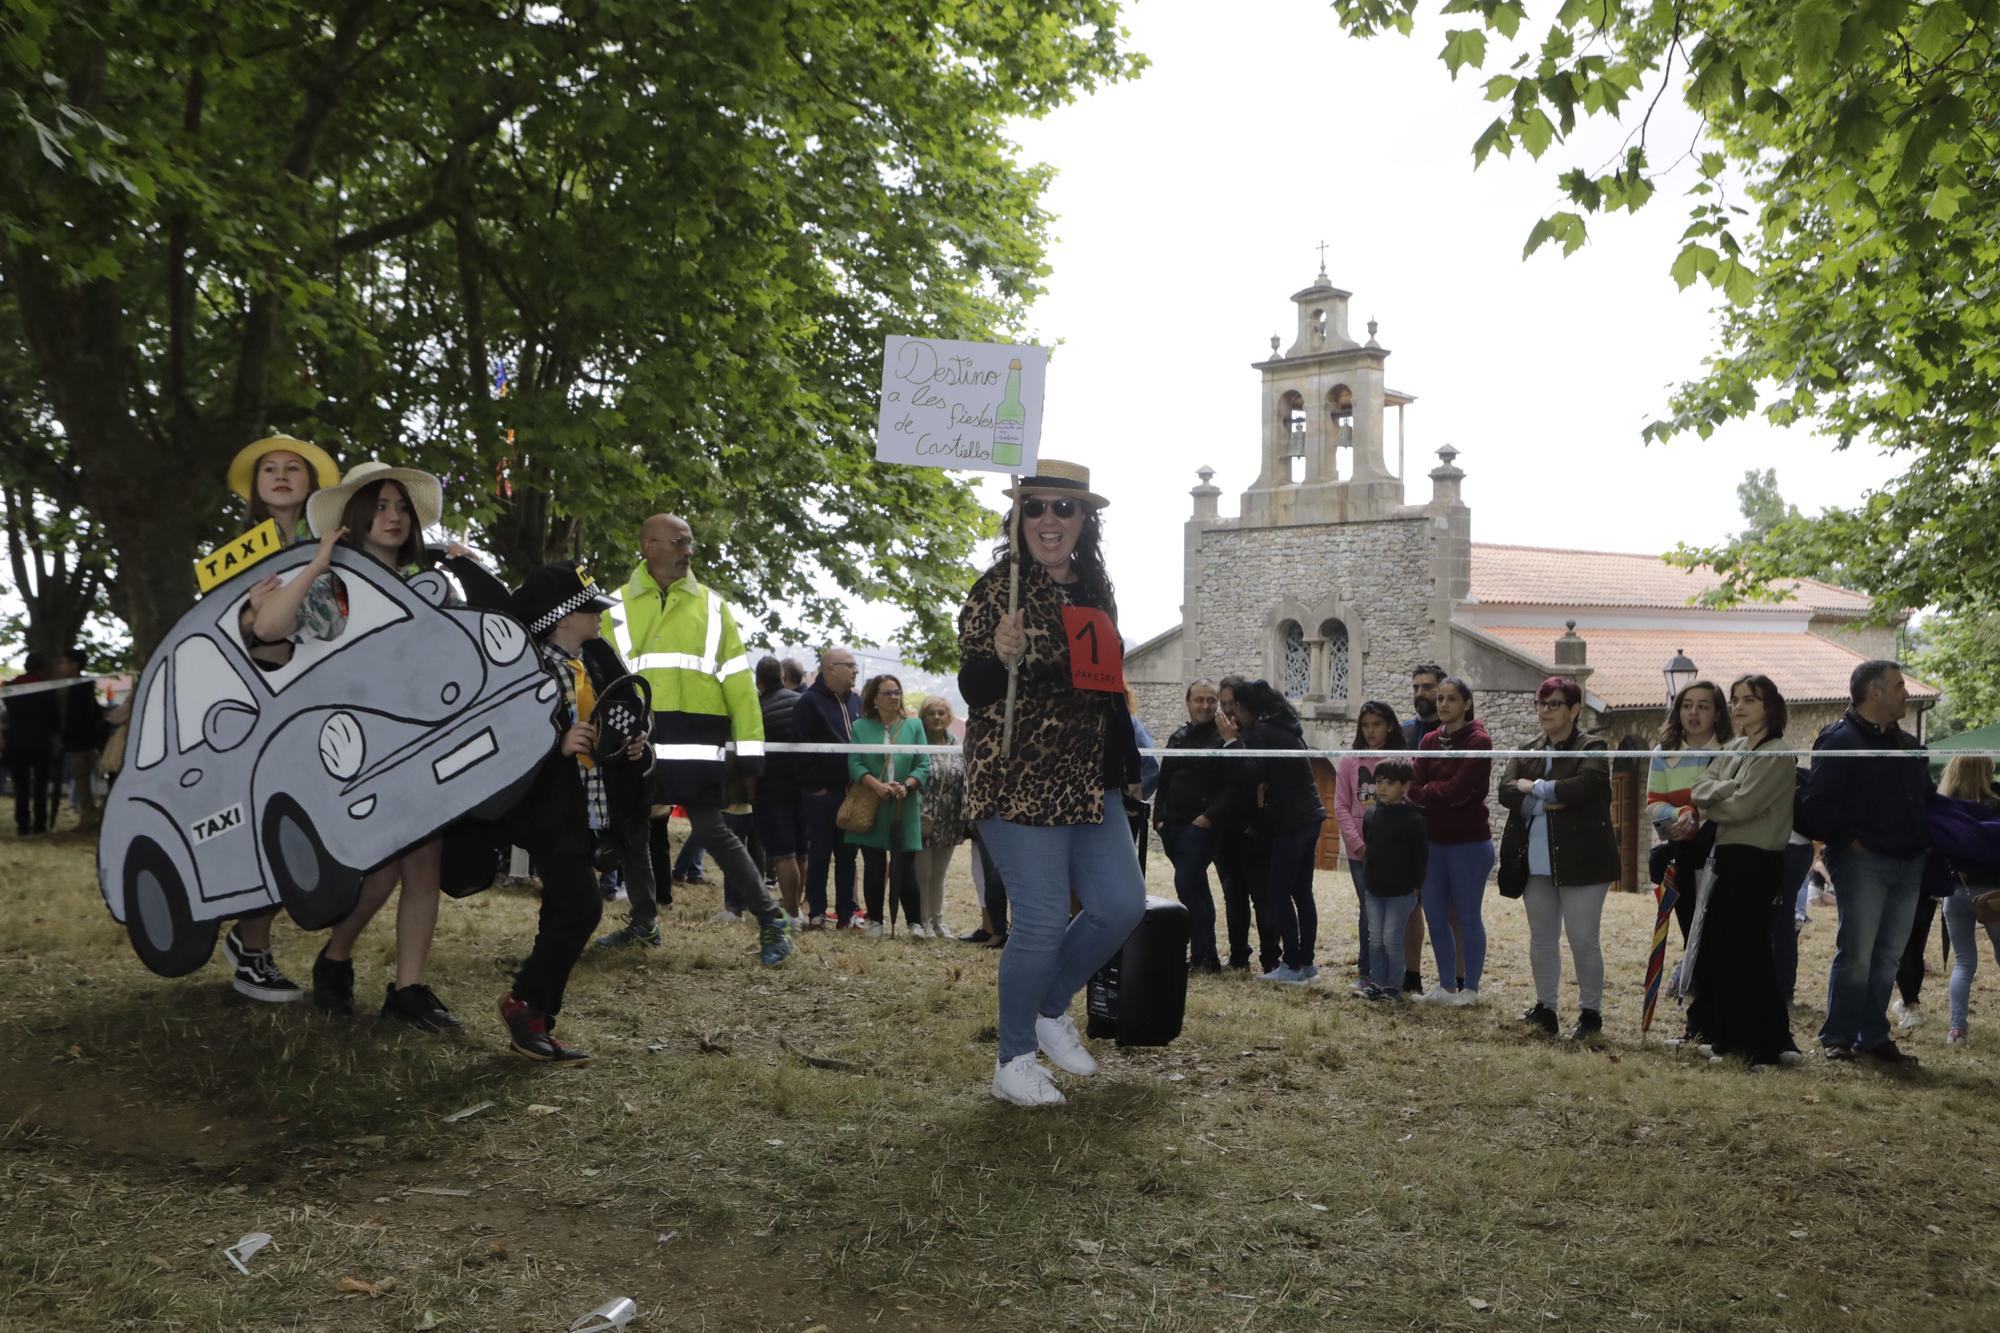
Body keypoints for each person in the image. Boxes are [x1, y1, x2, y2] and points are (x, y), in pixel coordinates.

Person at [958, 460, 1144, 1107]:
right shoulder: (997, 590)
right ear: (1018, 517)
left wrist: (1128, 767)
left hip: (1092, 780)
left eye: (1064, 509)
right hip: (1016, 778)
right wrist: (997, 657)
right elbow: (974, 689)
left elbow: (1108, 690)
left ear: (1084, 520)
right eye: (1036, 507)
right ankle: (1013, 1060)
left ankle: (1045, 1005)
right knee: (1038, 919)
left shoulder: (1097, 590)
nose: (1049, 520)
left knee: (1120, 904)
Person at [274, 462, 465, 1028]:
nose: (395, 517)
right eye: (381, 506)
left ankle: (408, 989)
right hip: (354, 749)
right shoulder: (328, 583)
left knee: (423, 867)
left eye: (402, 508)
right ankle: (335, 958)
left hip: (420, 741)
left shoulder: (432, 588)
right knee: (378, 873)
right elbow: (299, 653)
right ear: (355, 518)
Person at [602, 513, 793, 967]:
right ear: (650, 545)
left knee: (712, 831)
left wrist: (751, 755)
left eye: (690, 543)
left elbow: (739, 683)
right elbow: (603, 675)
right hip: (637, 736)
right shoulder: (614, 606)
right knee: (632, 830)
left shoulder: (712, 606)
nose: (689, 551)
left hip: (695, 737)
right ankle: (644, 922)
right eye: (679, 542)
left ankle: (772, 920)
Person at [498, 564, 653, 1063]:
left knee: (560, 912)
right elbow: (509, 740)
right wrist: (555, 744)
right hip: (550, 812)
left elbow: (619, 719)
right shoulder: (528, 672)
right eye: (592, 611)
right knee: (583, 909)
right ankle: (525, 1004)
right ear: (563, 618)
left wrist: (633, 746)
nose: (600, 618)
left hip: (590, 809)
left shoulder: (595, 663)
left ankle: (538, 1018)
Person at [1800, 659, 1930, 1065]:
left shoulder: (1908, 745)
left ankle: (1872, 1034)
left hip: (1909, 862)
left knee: (1889, 954)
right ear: (1875, 693)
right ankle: (1837, 1035)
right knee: (1856, 953)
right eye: (1899, 685)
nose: (1906, 693)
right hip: (1863, 862)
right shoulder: (1838, 740)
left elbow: (1923, 799)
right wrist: (1850, 842)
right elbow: (1817, 804)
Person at [1680, 675, 1804, 1066]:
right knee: (1721, 947)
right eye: (1734, 700)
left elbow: (1741, 807)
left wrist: (1718, 799)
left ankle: (1762, 1044)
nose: (1738, 706)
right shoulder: (1733, 747)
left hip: (1758, 859)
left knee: (1747, 951)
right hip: (1728, 855)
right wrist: (1723, 793)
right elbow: (1699, 787)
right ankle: (1731, 1035)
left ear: (1769, 705)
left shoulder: (1778, 753)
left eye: (1749, 699)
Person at [1498, 676, 1620, 1040]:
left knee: (1582, 938)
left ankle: (1590, 1014)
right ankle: (1545, 1008)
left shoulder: (1592, 745)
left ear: (1574, 709)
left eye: (1553, 704)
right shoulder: (1528, 747)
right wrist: (1547, 801)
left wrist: (1532, 788)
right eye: (1541, 703)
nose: (1545, 711)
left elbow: (1586, 786)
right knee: (1542, 938)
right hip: (1534, 864)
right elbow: (1505, 791)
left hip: (1584, 862)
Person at [1226, 679, 1328, 986]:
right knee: (1302, 892)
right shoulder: (1287, 726)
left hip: (1292, 822)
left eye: (1236, 708)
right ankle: (1307, 964)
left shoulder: (1261, 731)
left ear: (1245, 708)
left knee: (1279, 893)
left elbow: (1249, 771)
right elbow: (1279, 769)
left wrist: (1231, 742)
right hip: (1311, 816)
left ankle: (1292, 965)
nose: (1234, 715)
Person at [1410, 676, 1495, 1005]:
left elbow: (1459, 791)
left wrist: (1430, 789)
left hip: (1469, 843)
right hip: (1433, 842)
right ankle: (1446, 986)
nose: (1443, 704)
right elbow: (1414, 788)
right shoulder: (1429, 740)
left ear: (1467, 704)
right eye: (1440, 698)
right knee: (1434, 913)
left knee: (1467, 915)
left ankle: (1470, 988)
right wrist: (1434, 791)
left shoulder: (1478, 740)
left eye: (1451, 699)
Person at [1153, 678, 1229, 973]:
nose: (1205, 705)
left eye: (1211, 700)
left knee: (1185, 885)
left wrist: (1207, 817)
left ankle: (1199, 956)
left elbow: (1230, 788)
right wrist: (1158, 818)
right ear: (1188, 702)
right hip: (1172, 827)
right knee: (1197, 890)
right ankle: (1208, 957)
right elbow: (1165, 779)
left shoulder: (1222, 739)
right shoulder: (1177, 737)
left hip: (1201, 829)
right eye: (1199, 699)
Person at [1646, 680, 1732, 941]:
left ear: (1717, 713)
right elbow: (1653, 803)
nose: (1693, 712)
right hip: (1682, 851)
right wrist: (1680, 814)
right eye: (1687, 705)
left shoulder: (1731, 750)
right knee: (1691, 931)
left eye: (1702, 706)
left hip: (1723, 850)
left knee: (1720, 928)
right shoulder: (1663, 752)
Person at [845, 674, 929, 937]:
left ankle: (915, 923)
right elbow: (855, 762)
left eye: (897, 692)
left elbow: (924, 763)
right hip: (874, 802)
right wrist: (876, 785)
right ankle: (876, 922)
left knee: (905, 866)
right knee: (873, 865)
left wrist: (908, 784)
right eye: (888, 693)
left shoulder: (914, 725)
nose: (894, 698)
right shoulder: (860, 727)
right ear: (874, 698)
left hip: (905, 804)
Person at [1335, 701, 1407, 994]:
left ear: (1389, 725)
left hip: (1392, 853)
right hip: (1360, 853)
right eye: (1365, 725)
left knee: (1391, 918)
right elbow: (1341, 805)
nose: (1370, 731)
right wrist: (1358, 844)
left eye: (1376, 724)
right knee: (1368, 911)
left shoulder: (1403, 760)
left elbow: (1407, 804)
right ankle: (1367, 972)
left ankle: (1393, 978)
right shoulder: (1350, 761)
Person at [794, 645, 864, 928]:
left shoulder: (856, 702)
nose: (855, 669)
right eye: (849, 664)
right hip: (821, 795)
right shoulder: (808, 702)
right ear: (830, 669)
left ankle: (847, 914)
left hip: (851, 794)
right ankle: (817, 913)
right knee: (820, 854)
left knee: (848, 856)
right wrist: (815, 787)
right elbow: (798, 748)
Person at [1215, 674, 1281, 974]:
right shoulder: (1217, 737)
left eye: (1233, 704)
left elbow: (1252, 777)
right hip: (1227, 832)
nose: (1228, 711)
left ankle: (1270, 959)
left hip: (1256, 832)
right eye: (1224, 704)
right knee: (1233, 896)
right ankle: (1239, 955)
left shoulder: (1257, 735)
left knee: (1262, 897)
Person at [1938, 756, 2000, 1045]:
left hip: (1957, 892)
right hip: (1993, 894)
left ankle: (1957, 1030)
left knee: (1964, 964)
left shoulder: (1945, 810)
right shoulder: (1995, 807)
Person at [1360, 757, 1426, 1001]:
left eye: (1389, 783)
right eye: (1379, 782)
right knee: (1375, 938)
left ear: (1405, 786)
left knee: (1391, 938)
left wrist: (1417, 887)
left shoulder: (1414, 819)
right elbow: (1370, 846)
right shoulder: (1371, 815)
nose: (1383, 788)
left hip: (1402, 892)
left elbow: (1420, 856)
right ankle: (1376, 983)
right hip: (1375, 890)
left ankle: (1394, 988)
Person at [750, 655, 808, 926]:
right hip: (802, 787)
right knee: (800, 852)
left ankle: (792, 913)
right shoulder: (800, 703)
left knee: (783, 856)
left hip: (772, 789)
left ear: (758, 680)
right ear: (783, 677)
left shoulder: (757, 709)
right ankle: (797, 907)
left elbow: (751, 756)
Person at [914, 695, 967, 939]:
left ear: (949, 717)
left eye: (941, 713)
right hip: (922, 817)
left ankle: (938, 922)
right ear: (923, 717)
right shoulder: (917, 743)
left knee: (939, 874)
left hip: (949, 817)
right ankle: (922, 921)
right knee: (922, 873)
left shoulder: (957, 744)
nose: (936, 717)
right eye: (931, 713)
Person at [4, 652, 58, 836]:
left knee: (21, 786)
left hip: (17, 741)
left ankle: (23, 825)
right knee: (41, 786)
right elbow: (54, 717)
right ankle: (40, 824)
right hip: (41, 741)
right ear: (41, 667)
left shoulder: (10, 687)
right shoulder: (47, 688)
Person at [53, 649, 108, 830]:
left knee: (83, 782)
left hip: (81, 743)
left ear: (74, 665)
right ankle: (89, 816)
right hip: (85, 741)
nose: (60, 667)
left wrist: (66, 736)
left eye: (63, 662)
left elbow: (79, 717)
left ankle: (89, 817)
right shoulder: (82, 686)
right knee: (83, 783)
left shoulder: (79, 687)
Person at [1402, 662, 1444, 748]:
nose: (1419, 694)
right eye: (1416, 688)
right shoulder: (1403, 732)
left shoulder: (1453, 731)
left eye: (1427, 687)